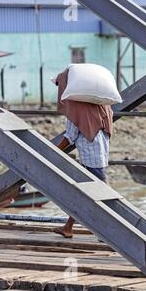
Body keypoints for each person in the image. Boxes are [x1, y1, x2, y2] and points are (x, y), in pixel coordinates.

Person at [52, 69, 113, 238]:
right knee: (85, 192)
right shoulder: (99, 103)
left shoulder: (76, 107)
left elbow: (70, 137)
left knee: (104, 196)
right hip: (100, 152)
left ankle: (112, 231)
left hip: (89, 156)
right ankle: (68, 227)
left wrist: (53, 152)